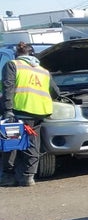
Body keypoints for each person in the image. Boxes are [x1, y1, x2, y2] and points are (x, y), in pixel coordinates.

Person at [1, 41, 55, 187]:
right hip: (38, 113)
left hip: (18, 111)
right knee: (33, 145)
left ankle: (8, 177)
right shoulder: (43, 70)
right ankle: (28, 177)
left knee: (11, 144)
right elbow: (56, 92)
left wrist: (7, 110)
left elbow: (8, 88)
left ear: (17, 54)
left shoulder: (13, 65)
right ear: (32, 55)